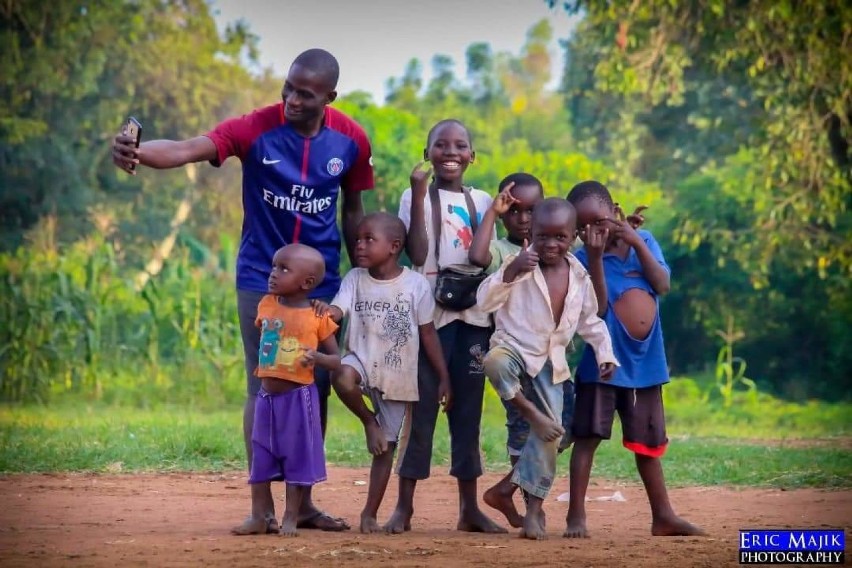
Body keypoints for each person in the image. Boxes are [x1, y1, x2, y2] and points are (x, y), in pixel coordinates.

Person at [112, 48, 373, 532]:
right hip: (263, 282)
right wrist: (140, 153)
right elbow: (190, 148)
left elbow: (352, 207)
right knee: (267, 386)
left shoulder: (351, 139)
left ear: (329, 97)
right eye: (288, 87)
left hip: (323, 287)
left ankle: (304, 504)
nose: (292, 99)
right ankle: (260, 509)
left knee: (314, 390)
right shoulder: (255, 128)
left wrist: (363, 266)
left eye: (306, 93)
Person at [564, 180, 704, 538]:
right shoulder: (581, 259)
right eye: (582, 228)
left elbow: (662, 284)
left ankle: (663, 515)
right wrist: (595, 258)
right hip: (603, 366)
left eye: (599, 221)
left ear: (617, 212)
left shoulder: (646, 243)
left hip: (647, 365)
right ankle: (576, 516)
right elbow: (599, 307)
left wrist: (636, 241)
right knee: (587, 439)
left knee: (648, 444)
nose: (592, 231)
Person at [477, 198, 618, 540]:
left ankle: (528, 507)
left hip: (550, 365)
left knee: (549, 436)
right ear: (531, 233)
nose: (550, 244)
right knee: (492, 361)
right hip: (513, 351)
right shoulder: (518, 263)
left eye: (560, 237)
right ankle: (528, 411)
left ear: (573, 238)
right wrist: (511, 272)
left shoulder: (580, 275)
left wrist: (605, 355)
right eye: (543, 236)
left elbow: (591, 321)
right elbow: (484, 301)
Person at [390, 119, 505, 534]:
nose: (450, 152)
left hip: (473, 317)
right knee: (420, 410)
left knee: (468, 412)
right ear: (428, 152)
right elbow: (417, 253)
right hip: (429, 316)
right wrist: (420, 193)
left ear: (472, 155)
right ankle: (404, 507)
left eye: (460, 145)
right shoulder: (413, 195)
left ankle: (469, 508)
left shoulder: (483, 200)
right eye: (441, 145)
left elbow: (484, 258)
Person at [314, 212, 452, 534]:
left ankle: (369, 514)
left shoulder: (415, 285)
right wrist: (327, 311)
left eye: (368, 240)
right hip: (361, 360)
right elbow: (339, 310)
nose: (359, 245)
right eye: (358, 239)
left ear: (394, 246)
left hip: (398, 374)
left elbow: (428, 333)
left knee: (385, 450)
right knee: (342, 377)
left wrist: (443, 376)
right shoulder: (355, 278)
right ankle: (368, 420)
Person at [231, 243, 341, 536]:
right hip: (266, 397)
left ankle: (292, 516)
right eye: (274, 266)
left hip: (298, 396)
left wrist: (316, 358)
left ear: (307, 282)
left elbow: (336, 359)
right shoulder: (267, 304)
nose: (273, 274)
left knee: (296, 455)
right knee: (261, 450)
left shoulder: (319, 317)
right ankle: (260, 516)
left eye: (283, 269)